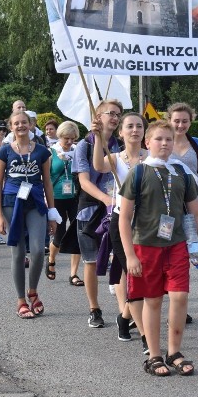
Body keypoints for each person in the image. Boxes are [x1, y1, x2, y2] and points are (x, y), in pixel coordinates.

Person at [118, 120, 198, 376]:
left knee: (180, 296)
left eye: (168, 139)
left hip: (176, 245)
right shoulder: (138, 173)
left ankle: (174, 351)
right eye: (158, 139)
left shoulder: (181, 173)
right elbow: (124, 218)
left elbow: (196, 212)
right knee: (153, 300)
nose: (164, 144)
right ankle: (155, 355)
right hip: (145, 247)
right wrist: (129, 255)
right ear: (147, 143)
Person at [0, 110, 60, 319]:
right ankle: (21, 299)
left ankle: (33, 290)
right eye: (16, 123)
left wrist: (52, 211)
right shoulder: (4, 151)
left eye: (24, 123)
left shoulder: (42, 151)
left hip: (36, 202)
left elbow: (47, 182)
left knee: (39, 250)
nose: (21, 126)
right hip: (11, 203)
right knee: (19, 252)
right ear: (11, 127)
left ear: (30, 125)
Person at [92, 112, 148, 347]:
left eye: (139, 126)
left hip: (148, 224)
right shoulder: (114, 158)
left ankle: (125, 318)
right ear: (121, 132)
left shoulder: (152, 156)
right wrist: (97, 138)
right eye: (130, 126)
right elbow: (97, 165)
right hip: (121, 222)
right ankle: (147, 336)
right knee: (135, 276)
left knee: (148, 277)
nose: (135, 130)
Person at [72, 100, 122, 328]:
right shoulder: (84, 145)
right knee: (91, 261)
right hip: (92, 208)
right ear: (97, 117)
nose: (114, 117)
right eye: (109, 113)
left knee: (121, 259)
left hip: (118, 207)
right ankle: (94, 309)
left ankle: (125, 312)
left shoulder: (120, 145)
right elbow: (83, 181)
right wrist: (105, 200)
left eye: (117, 114)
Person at [47, 121, 81, 283]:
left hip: (75, 196)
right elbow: (45, 177)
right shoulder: (51, 152)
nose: (69, 142)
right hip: (57, 197)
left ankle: (73, 273)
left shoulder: (77, 151)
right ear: (60, 136)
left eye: (72, 138)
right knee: (59, 234)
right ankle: (51, 261)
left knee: (77, 233)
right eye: (66, 138)